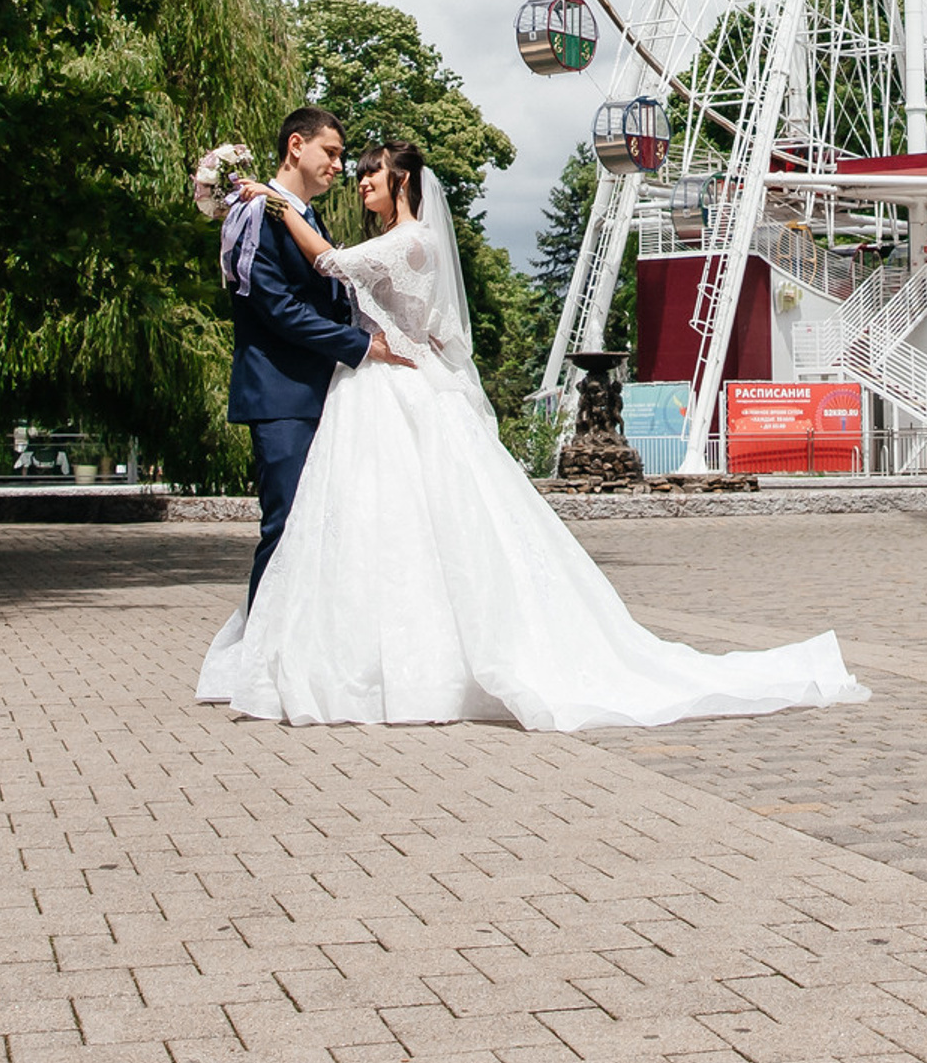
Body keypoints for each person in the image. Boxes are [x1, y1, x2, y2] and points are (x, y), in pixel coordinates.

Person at [198, 139, 867, 731]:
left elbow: (332, 269)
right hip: (375, 387)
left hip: (390, 384)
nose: (358, 180)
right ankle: (343, 654)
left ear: (400, 181)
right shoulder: (395, 239)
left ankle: (389, 663)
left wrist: (275, 204)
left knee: (402, 522)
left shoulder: (409, 240)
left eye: (369, 172)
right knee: (374, 524)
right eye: (350, 165)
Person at [218, 108, 417, 621]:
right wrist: (360, 346)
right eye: (330, 153)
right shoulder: (256, 212)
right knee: (285, 527)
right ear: (295, 147)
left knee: (318, 529)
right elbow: (276, 307)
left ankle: (295, 652)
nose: (339, 165)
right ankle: (256, 655)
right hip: (281, 393)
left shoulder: (300, 215)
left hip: (322, 392)